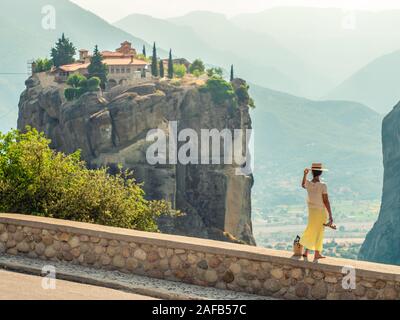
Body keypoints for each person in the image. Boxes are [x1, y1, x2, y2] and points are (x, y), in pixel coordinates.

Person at [300, 163, 334, 260]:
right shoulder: (323, 186)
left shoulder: (309, 184)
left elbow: (303, 184)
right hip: (320, 212)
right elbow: (326, 201)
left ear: (312, 173)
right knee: (319, 231)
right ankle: (317, 253)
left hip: (312, 211)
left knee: (311, 229)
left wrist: (305, 174)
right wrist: (330, 215)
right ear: (321, 173)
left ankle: (306, 251)